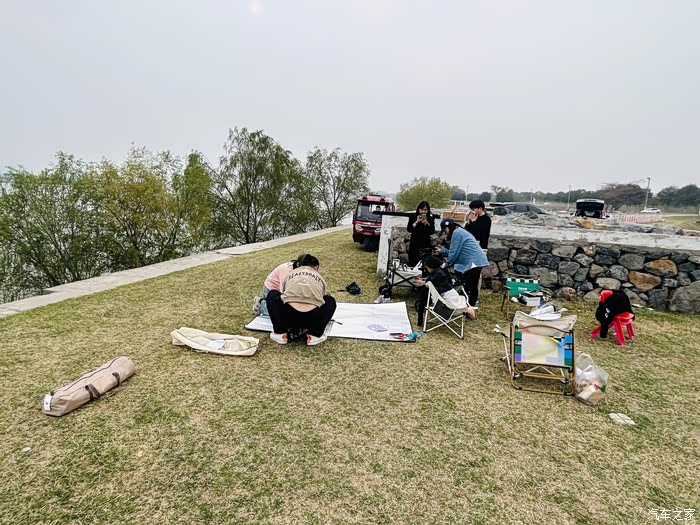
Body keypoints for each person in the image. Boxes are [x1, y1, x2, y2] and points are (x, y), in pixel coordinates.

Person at [266, 254, 337, 346]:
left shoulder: (290, 274)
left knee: (273, 294)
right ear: (316, 267)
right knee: (330, 300)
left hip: (287, 318)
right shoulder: (319, 277)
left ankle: (280, 333)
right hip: (311, 320)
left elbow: (283, 294)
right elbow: (324, 296)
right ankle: (315, 335)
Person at [415, 256, 475, 325]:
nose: (427, 270)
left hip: (448, 295)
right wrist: (424, 280)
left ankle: (468, 310)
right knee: (456, 303)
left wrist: (422, 282)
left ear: (431, 267)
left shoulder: (437, 274)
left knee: (453, 306)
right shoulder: (439, 272)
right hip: (451, 293)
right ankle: (467, 309)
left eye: (427, 268)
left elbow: (430, 281)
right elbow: (431, 280)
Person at [440, 221, 489, 307]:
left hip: (474, 261)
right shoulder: (459, 231)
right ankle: (466, 304)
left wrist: (446, 264)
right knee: (468, 283)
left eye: (445, 230)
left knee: (472, 284)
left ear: (448, 227)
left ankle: (471, 305)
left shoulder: (456, 233)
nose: (445, 233)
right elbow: (456, 251)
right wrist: (443, 252)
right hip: (476, 260)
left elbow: (454, 252)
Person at [406, 201, 436, 267]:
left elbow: (432, 231)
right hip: (415, 243)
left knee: (425, 261)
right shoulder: (413, 217)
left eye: (425, 210)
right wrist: (416, 222)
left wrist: (426, 223)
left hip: (425, 243)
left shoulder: (430, 218)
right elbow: (409, 229)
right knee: (413, 260)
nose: (423, 211)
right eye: (421, 209)